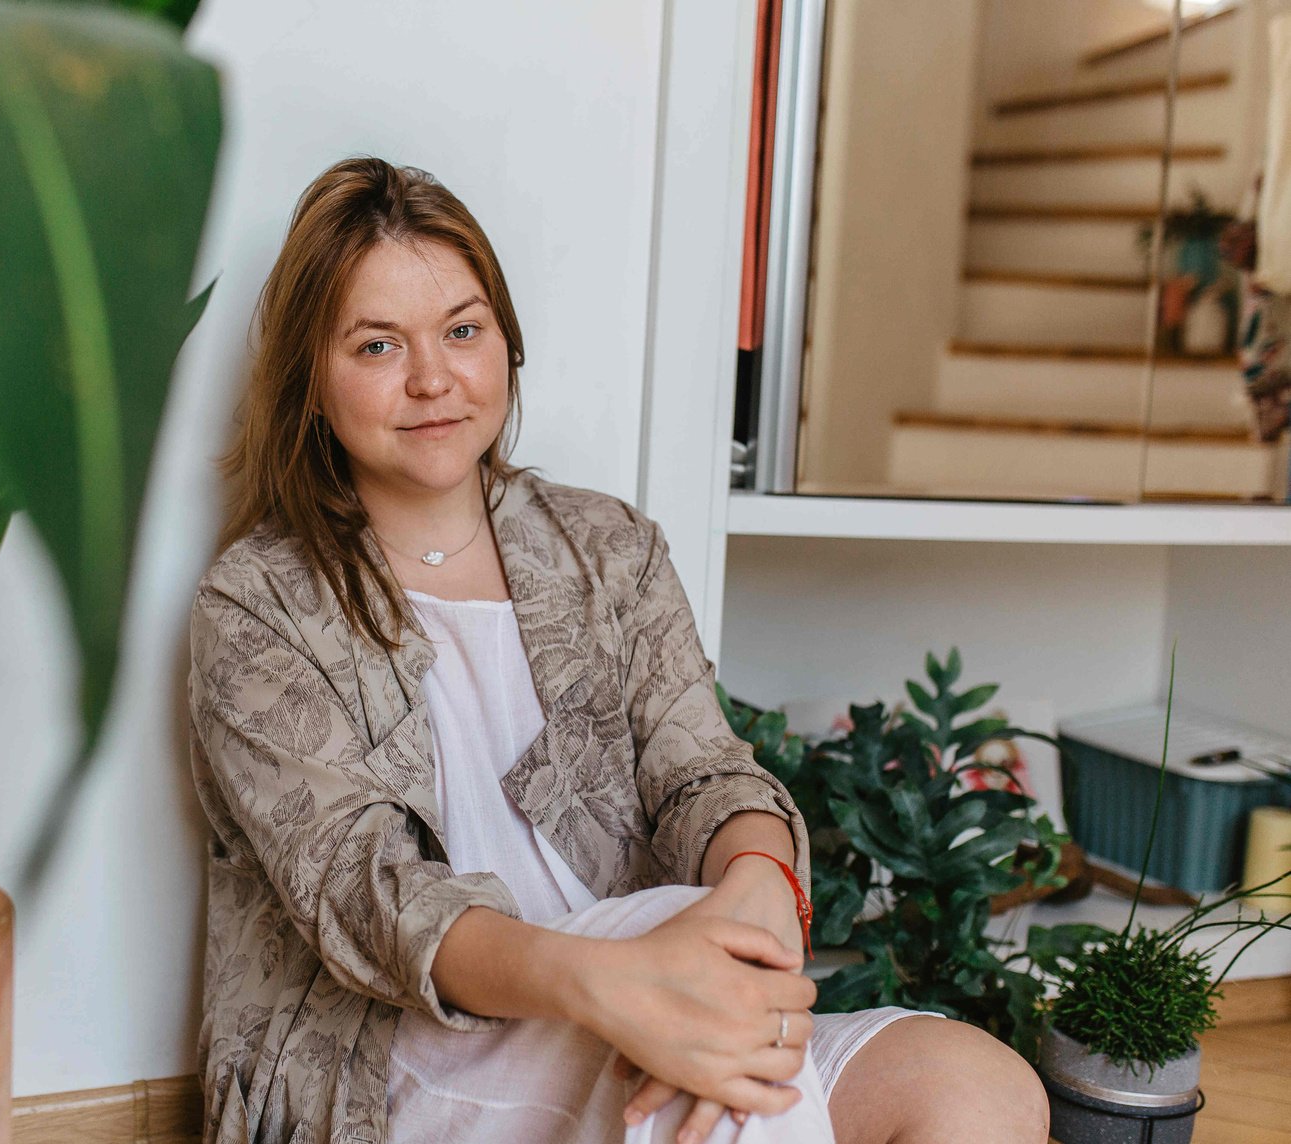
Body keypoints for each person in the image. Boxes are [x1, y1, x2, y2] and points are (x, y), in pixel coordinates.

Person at [186, 156, 1049, 1144]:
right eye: (377, 345)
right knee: (718, 1084)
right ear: (309, 383)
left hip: (665, 993)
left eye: (463, 330)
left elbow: (704, 772)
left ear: (506, 347)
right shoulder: (256, 605)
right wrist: (618, 985)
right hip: (405, 1057)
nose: (433, 377)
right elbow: (369, 897)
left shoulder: (608, 549)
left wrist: (757, 889)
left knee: (983, 1094)